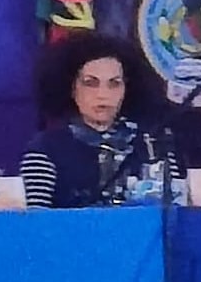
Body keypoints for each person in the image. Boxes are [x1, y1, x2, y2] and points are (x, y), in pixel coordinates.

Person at [20, 32, 183, 209]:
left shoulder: (155, 144)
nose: (103, 95)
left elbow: (177, 211)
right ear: (71, 88)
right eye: (90, 83)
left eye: (114, 84)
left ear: (127, 88)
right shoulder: (46, 149)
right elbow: (35, 221)